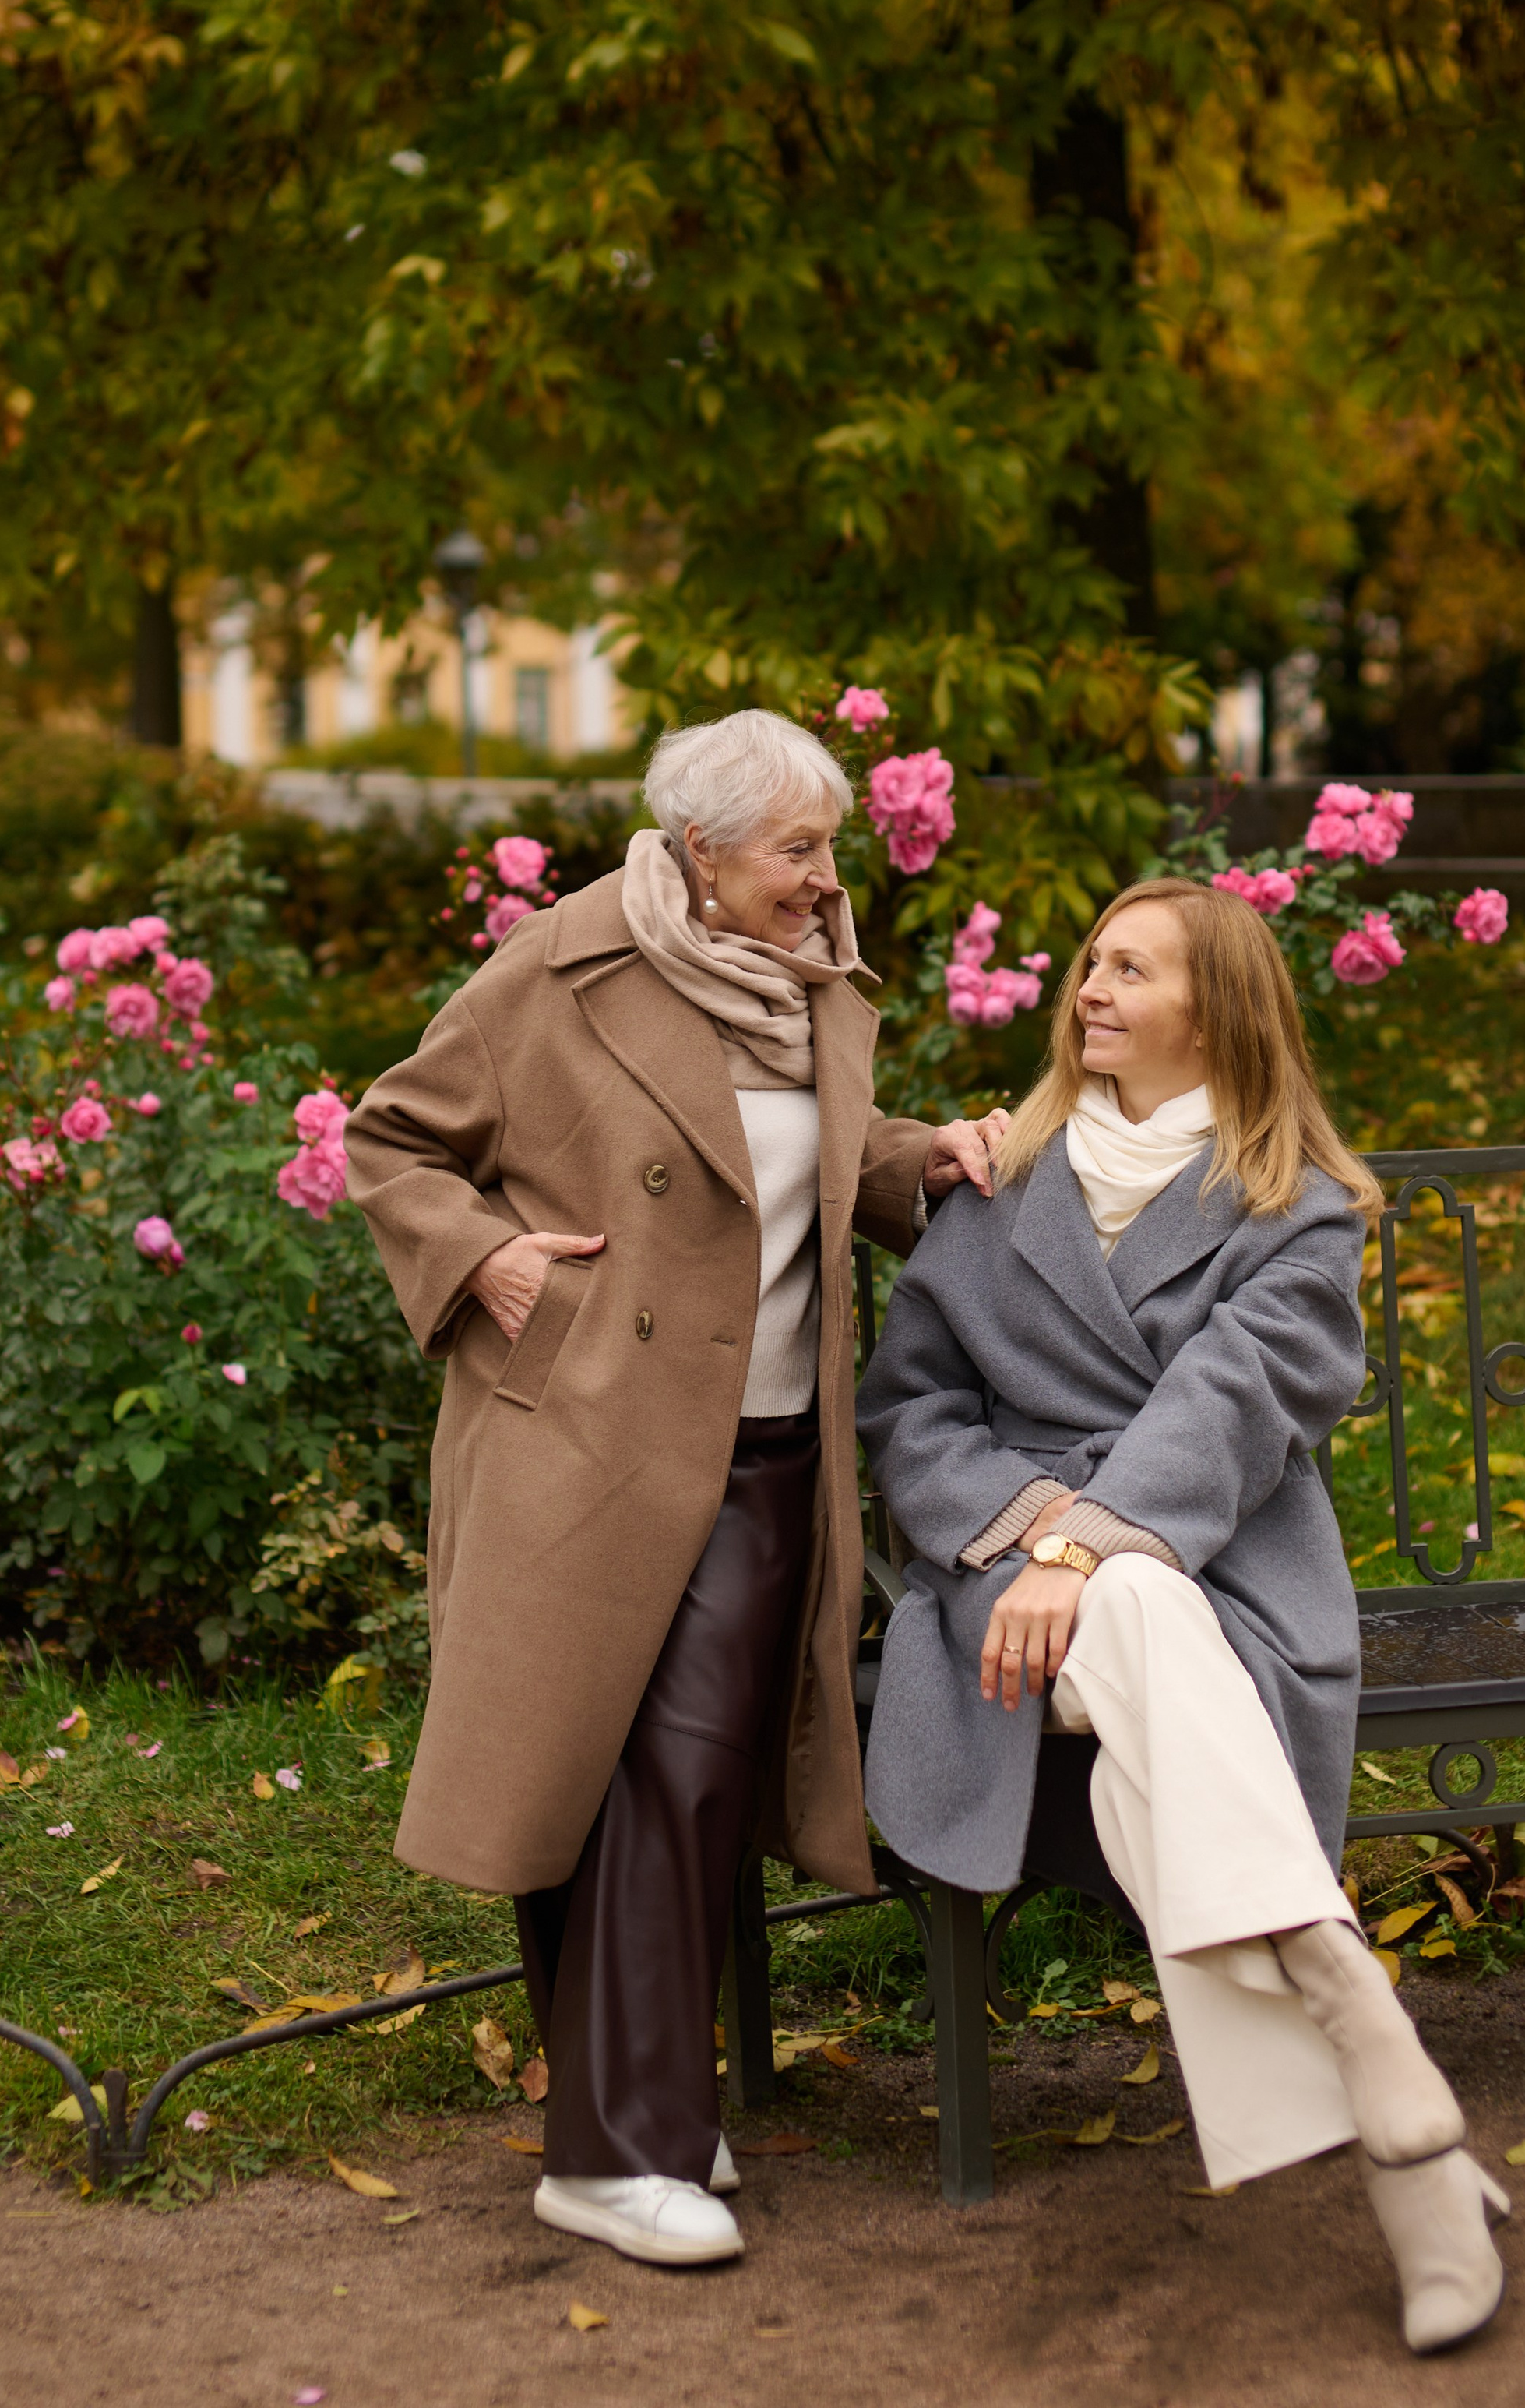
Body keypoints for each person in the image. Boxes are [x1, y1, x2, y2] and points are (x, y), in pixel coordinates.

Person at [345, 707, 1003, 2269]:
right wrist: (486, 1259)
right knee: (590, 1777)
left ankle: (622, 2117)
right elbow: (393, 1139)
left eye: (831, 845)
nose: (825, 877)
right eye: (797, 848)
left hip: (764, 1446)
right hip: (584, 1439)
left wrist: (920, 1162)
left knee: (682, 1774)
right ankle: (624, 2137)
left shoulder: (803, 982)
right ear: (699, 851)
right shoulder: (562, 965)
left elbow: (808, 1158)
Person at [858, 876, 1509, 2356]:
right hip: (1009, 1584)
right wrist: (1042, 1536)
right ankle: (1366, 2035)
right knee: (1133, 1606)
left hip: (1223, 1568)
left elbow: (1237, 1400)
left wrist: (1091, 1550)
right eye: (1091, 963)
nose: (1091, 989)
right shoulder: (998, 1183)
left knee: (1142, 1618)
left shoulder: (1295, 1205)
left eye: (1132, 971)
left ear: (1215, 1013)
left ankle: (1400, 2133)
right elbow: (912, 1414)